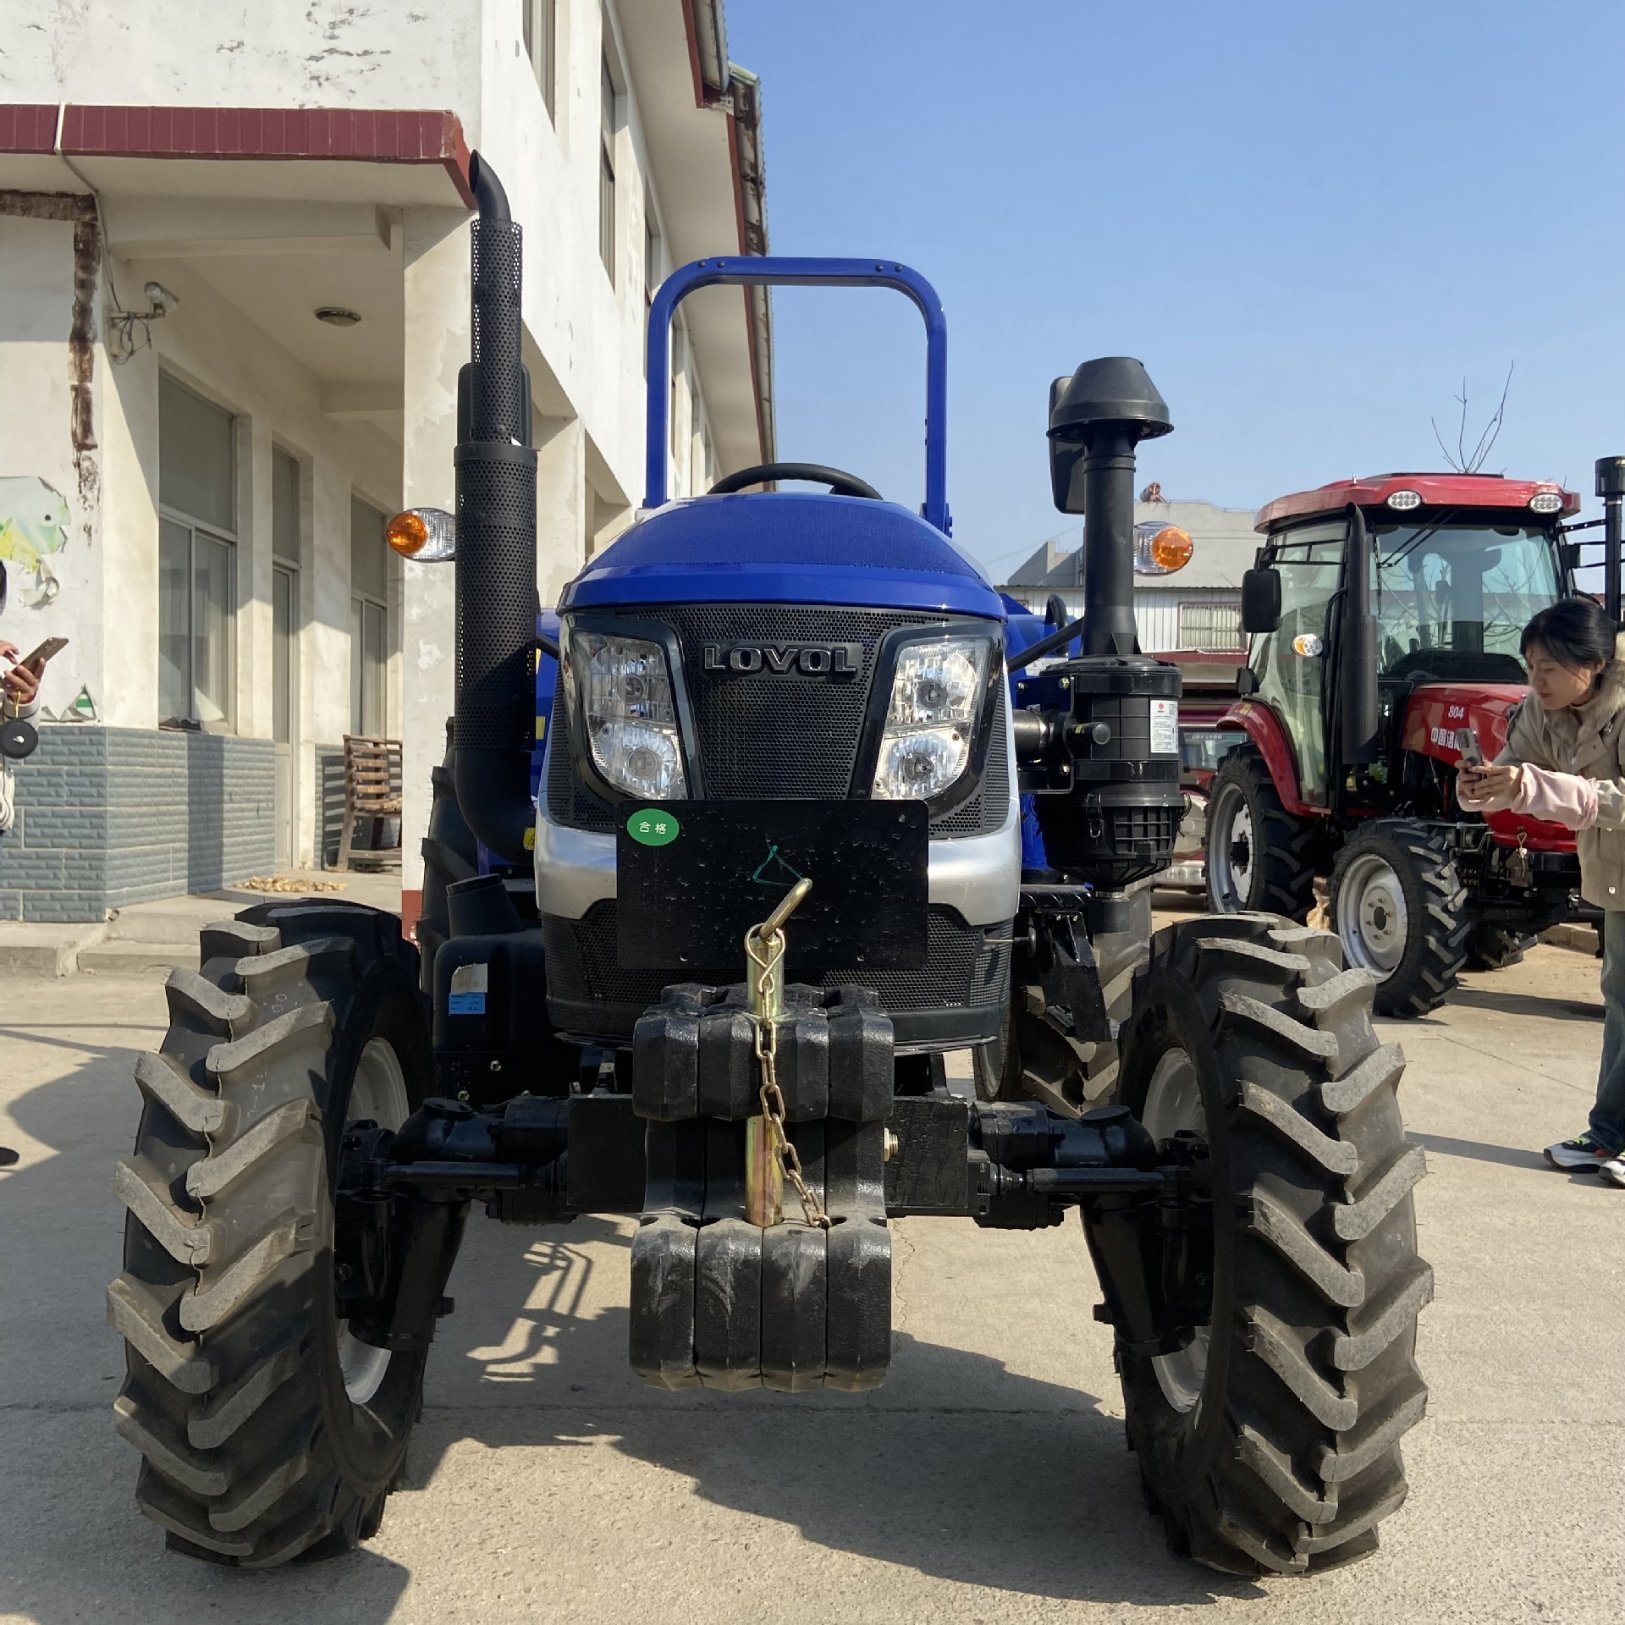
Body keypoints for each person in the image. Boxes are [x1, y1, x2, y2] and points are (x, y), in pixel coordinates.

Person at [1459, 597, 1625, 1186]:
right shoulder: (1541, 709)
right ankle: (1608, 1135)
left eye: (1549, 667)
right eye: (1530, 665)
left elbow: (1606, 798)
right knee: (1621, 1006)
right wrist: (1483, 786)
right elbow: (1516, 772)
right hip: (1617, 874)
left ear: (1598, 662)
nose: (1536, 680)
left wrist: (1536, 786)